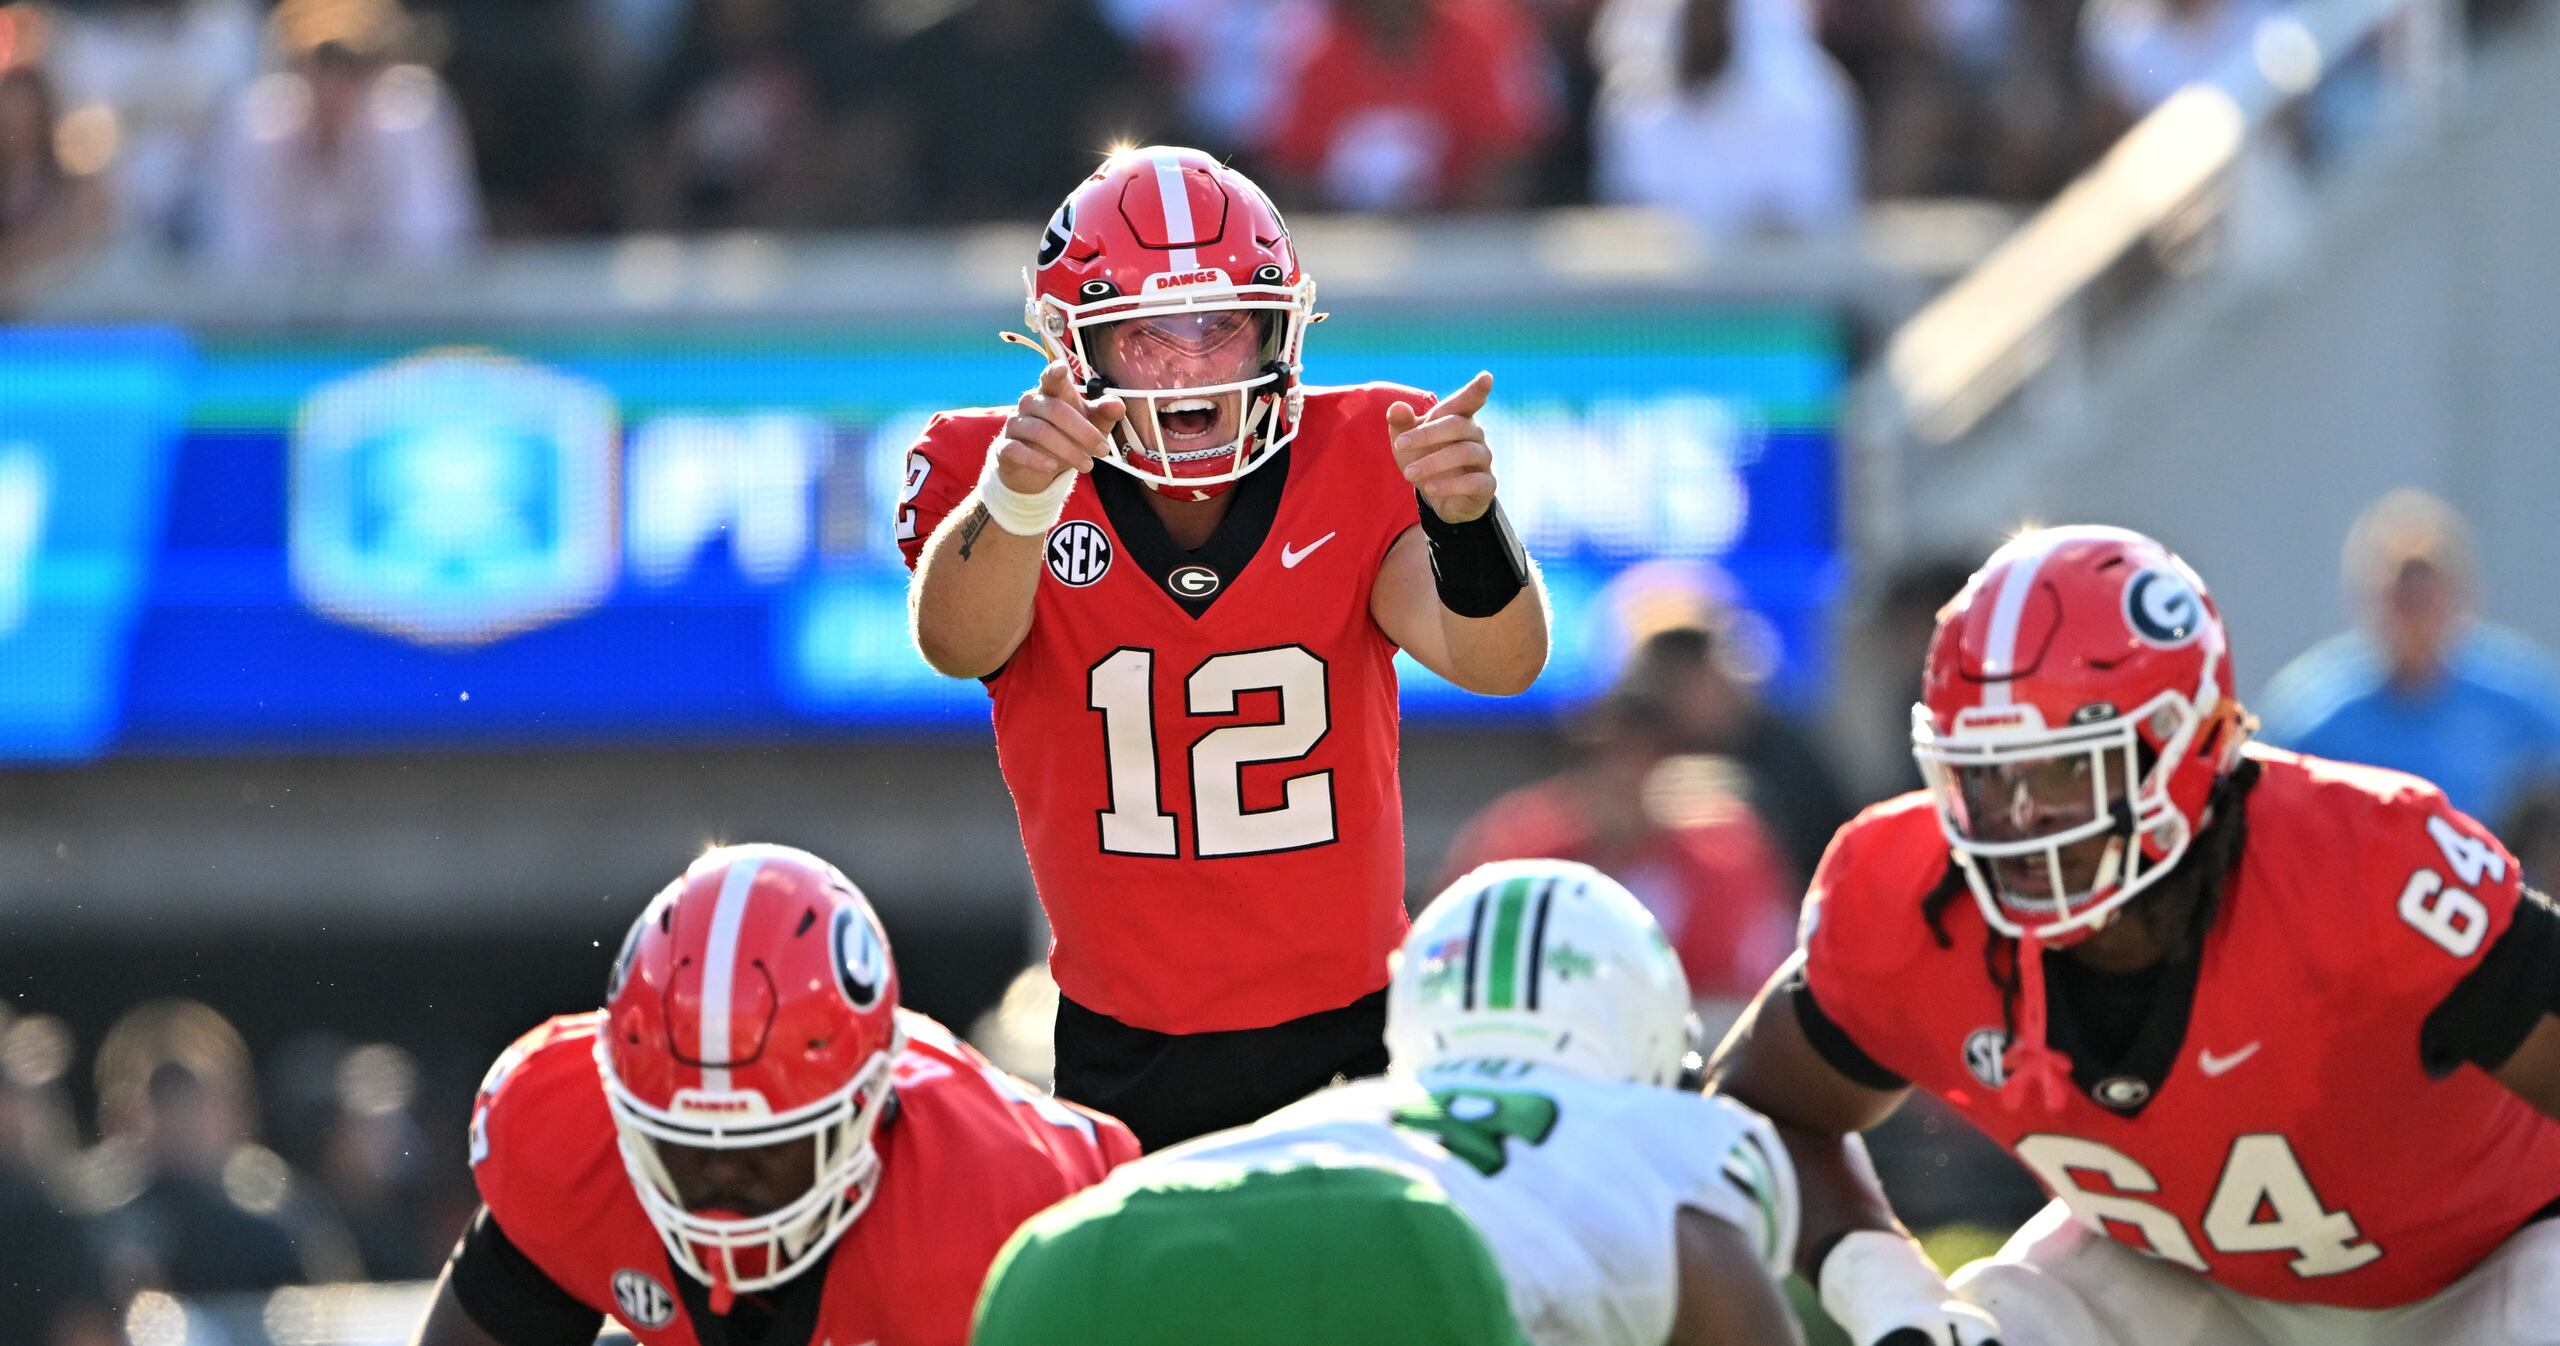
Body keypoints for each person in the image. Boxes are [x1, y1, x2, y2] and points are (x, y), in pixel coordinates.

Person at [1707, 524, 2560, 1346]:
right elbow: (1760, 1110)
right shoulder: (1914, 896)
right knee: (1991, 1325)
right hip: (2190, 1284)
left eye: (2063, 768)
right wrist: (1885, 1291)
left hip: (2489, 1269)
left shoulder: (2361, 868)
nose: (2020, 822)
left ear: (2185, 748)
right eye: (1986, 775)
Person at [899, 144, 1551, 1150]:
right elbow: (956, 643)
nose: (1192, 367)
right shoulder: (995, 471)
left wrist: (1468, 523)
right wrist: (1019, 499)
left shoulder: (1368, 447)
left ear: (1281, 326)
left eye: (1222, 327)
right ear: (1073, 345)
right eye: (1148, 337)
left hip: (1358, 1031)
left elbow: (1500, 662)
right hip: (1124, 1040)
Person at [973, 858, 1803, 1346]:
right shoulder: (1659, 1139)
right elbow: (1726, 1298)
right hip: (1399, 1246)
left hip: (1088, 1245)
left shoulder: (1346, 1116)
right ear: (1650, 1024)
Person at [412, 844, 1139, 1346]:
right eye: (684, 1147)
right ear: (623, 1111)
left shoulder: (998, 1208)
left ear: (870, 1108)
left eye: (769, 1147)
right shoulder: (568, 1143)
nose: (723, 1176)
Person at [2258, 488, 2560, 829]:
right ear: (2369, 601)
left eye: (2428, 596)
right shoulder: (2314, 715)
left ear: (2462, 596)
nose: (2418, 619)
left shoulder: (2516, 699)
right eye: (2404, 597)